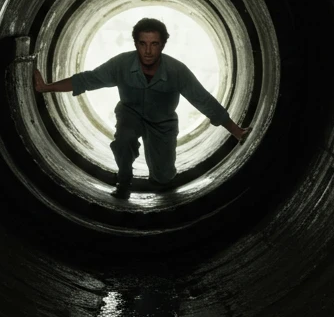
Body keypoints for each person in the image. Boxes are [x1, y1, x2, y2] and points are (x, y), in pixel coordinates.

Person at [32, 17, 251, 199]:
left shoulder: (177, 71)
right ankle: (124, 180)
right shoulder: (122, 64)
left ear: (163, 45)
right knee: (124, 139)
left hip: (163, 123)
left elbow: (204, 101)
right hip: (130, 114)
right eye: (142, 43)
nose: (148, 51)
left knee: (164, 177)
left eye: (154, 44)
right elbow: (87, 80)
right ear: (135, 44)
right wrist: (47, 87)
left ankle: (159, 182)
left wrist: (236, 131)